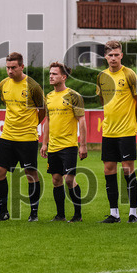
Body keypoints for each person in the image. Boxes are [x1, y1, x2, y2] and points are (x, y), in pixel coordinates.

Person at [0, 52, 46, 222]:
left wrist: (31, 125)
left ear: (22, 67)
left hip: (27, 138)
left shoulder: (33, 86)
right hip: (7, 135)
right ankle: (3, 212)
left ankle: (34, 213)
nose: (10, 71)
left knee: (30, 173)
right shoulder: (3, 84)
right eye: (8, 67)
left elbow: (43, 109)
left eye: (13, 67)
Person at [96, 40, 137, 223]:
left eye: (116, 54)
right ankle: (114, 213)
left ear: (122, 55)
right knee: (108, 169)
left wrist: (132, 120)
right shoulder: (101, 76)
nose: (113, 58)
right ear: (105, 57)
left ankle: (133, 212)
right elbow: (102, 99)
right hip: (108, 131)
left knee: (127, 169)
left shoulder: (130, 74)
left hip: (126, 131)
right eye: (110, 55)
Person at [40, 62, 87, 222]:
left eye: (54, 74)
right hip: (53, 146)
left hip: (69, 146)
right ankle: (60, 215)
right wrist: (44, 143)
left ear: (64, 77)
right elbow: (47, 121)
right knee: (56, 179)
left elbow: (82, 121)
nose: (51, 76)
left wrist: (83, 145)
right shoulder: (49, 97)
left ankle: (77, 215)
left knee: (69, 179)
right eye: (50, 74)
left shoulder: (74, 96)